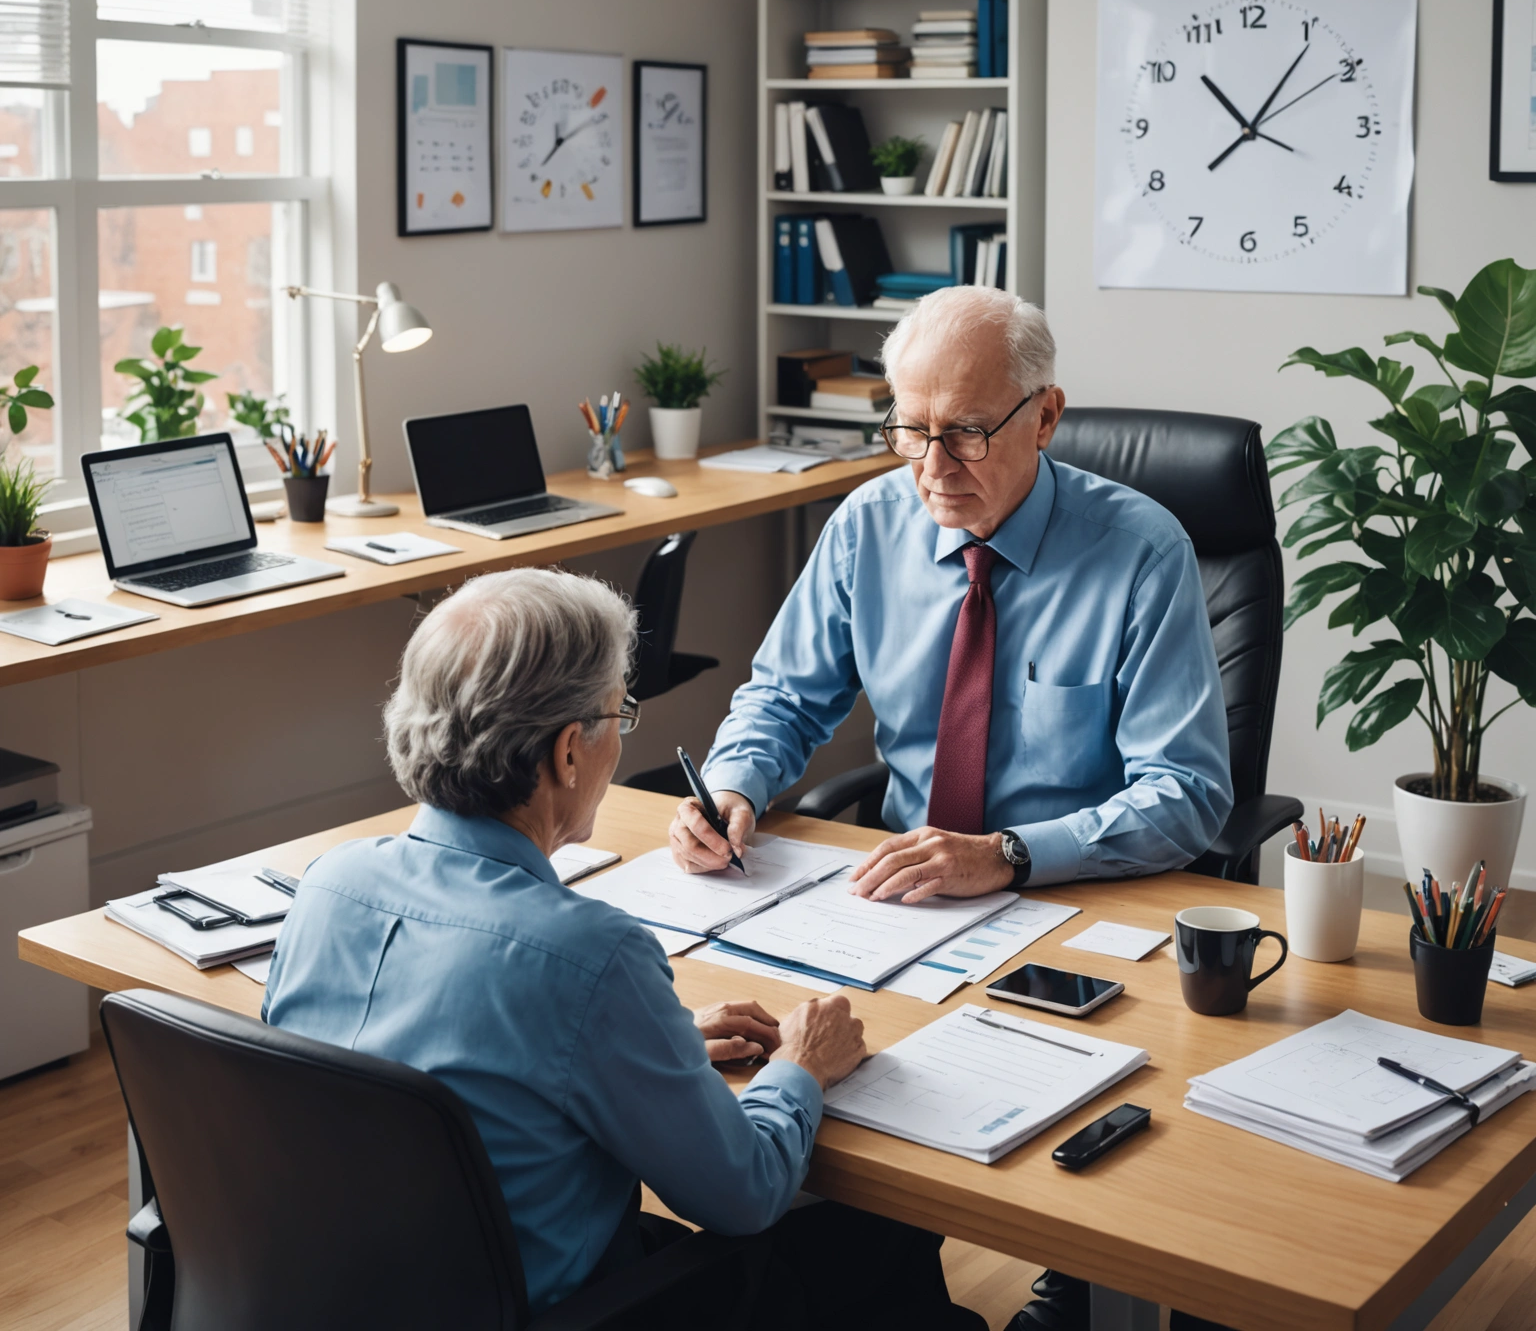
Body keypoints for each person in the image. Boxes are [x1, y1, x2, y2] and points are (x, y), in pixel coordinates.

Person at [669, 286, 1234, 1331]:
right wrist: (738, 783)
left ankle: (1079, 1284)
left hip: (1077, 906)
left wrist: (1010, 853)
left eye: (966, 434)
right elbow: (786, 696)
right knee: (795, 1102)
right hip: (900, 910)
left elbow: (1189, 794)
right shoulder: (869, 525)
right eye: (911, 432)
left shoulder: (1140, 550)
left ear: (1046, 416)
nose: (932, 468)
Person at [264, 568, 983, 1331]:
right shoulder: (589, 955)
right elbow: (746, 1195)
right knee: (885, 1237)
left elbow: (446, 1073)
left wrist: (647, 1045)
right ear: (569, 753)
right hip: (576, 1310)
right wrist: (798, 1066)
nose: (618, 736)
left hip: (368, 1296)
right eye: (619, 714)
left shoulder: (328, 885)